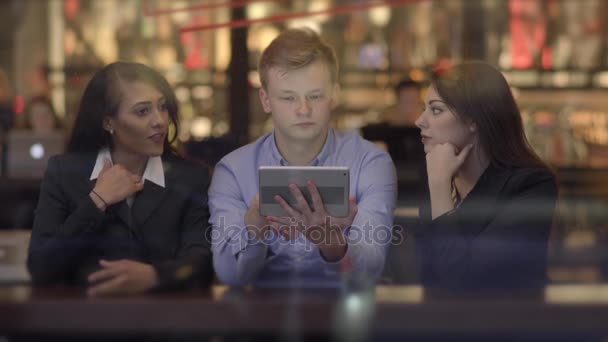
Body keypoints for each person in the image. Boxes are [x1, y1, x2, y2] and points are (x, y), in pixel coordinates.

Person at [209, 28, 397, 287]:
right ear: (265, 100)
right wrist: (255, 223)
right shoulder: (232, 170)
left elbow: (369, 270)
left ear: (334, 95)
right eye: (288, 98)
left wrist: (327, 239)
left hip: (344, 314)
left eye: (315, 96)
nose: (303, 109)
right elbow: (231, 276)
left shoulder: (370, 162)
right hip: (261, 317)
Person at [27, 62, 214, 295]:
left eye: (163, 107)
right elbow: (41, 268)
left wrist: (156, 276)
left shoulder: (190, 178)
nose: (160, 121)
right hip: (83, 323)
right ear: (108, 122)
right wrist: (97, 200)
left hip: (163, 324)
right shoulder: (64, 173)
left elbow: (204, 263)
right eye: (142, 111)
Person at [413, 61, 557, 291]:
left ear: (473, 120)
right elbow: (426, 278)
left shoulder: (531, 185)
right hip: (439, 323)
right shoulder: (436, 175)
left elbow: (463, 282)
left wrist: (440, 187)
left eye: (436, 109)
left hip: (505, 323)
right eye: (424, 108)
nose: (419, 121)